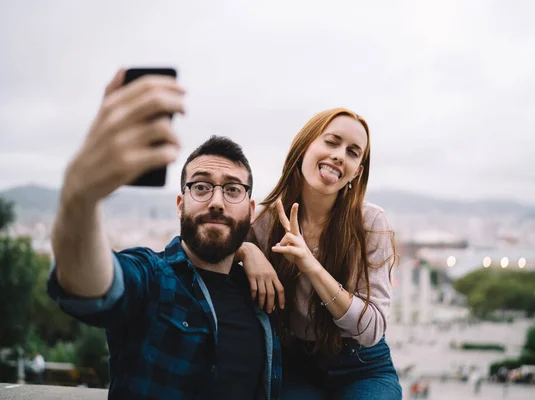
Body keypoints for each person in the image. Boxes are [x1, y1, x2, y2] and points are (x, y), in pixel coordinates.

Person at [47, 69, 280, 400]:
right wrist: (80, 197)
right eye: (201, 186)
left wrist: (247, 251)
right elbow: (96, 285)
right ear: (180, 203)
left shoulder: (260, 295)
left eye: (232, 189)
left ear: (251, 210)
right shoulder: (153, 276)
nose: (216, 201)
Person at [241, 108, 402, 399]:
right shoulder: (264, 223)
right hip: (294, 364)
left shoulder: (370, 224)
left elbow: (372, 329)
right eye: (331, 141)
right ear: (304, 147)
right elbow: (214, 248)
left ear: (357, 172)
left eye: (353, 152)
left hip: (362, 363)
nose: (340, 155)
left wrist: (311, 266)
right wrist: (247, 250)